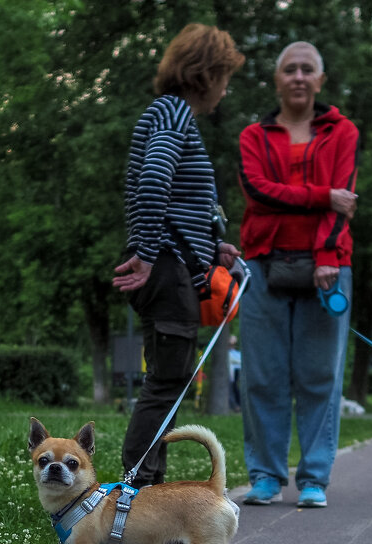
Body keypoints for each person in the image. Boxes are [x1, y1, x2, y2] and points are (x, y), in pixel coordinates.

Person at [113, 23, 244, 487]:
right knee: (167, 382)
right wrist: (149, 255)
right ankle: (139, 491)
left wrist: (212, 246)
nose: (226, 89)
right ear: (206, 74)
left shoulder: (168, 114)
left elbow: (173, 203)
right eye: (225, 76)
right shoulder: (173, 113)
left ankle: (142, 488)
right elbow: (153, 182)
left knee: (170, 380)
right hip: (164, 269)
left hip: (171, 262)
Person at [236, 41, 359, 508]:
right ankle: (266, 476)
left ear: (321, 80)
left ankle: (313, 479)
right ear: (277, 80)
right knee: (262, 376)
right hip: (264, 264)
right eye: (290, 69)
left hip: (328, 268)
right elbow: (257, 192)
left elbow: (344, 196)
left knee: (318, 376)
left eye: (308, 69)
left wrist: (327, 251)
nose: (299, 77)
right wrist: (322, 195)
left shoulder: (342, 131)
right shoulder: (254, 135)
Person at [228, 335, 242, 412]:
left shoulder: (237, 353)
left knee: (235, 388)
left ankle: (237, 405)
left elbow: (239, 361)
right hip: (230, 373)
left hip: (236, 372)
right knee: (232, 388)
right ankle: (235, 406)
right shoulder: (227, 352)